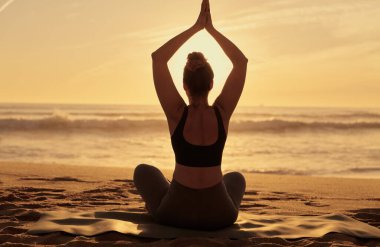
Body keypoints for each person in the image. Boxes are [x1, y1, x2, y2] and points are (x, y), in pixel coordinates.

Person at [133, 0, 248, 230]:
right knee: (236, 178)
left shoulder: (177, 114)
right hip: (220, 215)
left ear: (184, 85)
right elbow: (241, 62)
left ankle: (167, 193)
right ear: (212, 83)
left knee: (144, 171)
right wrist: (211, 29)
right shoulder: (222, 113)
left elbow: (158, 58)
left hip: (176, 212)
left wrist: (196, 27)